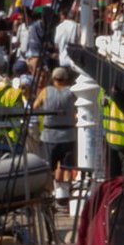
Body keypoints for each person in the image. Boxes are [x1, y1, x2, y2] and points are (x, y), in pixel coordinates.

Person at [35, 66, 76, 200]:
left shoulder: (46, 91)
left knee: (49, 168)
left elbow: (35, 107)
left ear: (53, 79)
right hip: (68, 135)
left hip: (49, 136)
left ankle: (51, 193)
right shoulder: (71, 92)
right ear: (66, 79)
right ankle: (66, 194)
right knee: (67, 167)